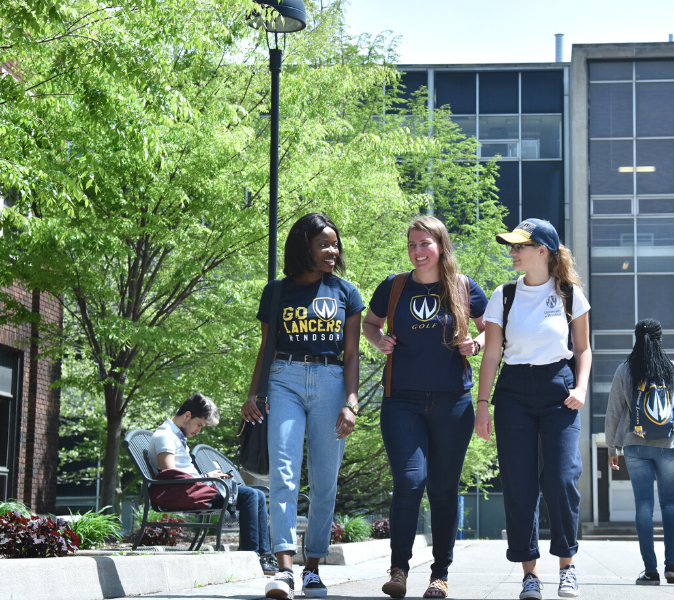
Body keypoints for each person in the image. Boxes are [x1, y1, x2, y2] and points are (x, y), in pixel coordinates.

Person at [362, 216, 488, 599]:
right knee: (410, 480)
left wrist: (477, 345)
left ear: (440, 245)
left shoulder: (464, 287)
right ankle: (398, 569)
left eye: (424, 244)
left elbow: (491, 329)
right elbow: (369, 323)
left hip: (453, 402)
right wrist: (378, 340)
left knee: (443, 488)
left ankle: (440, 575)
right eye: (412, 245)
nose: (417, 252)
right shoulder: (394, 285)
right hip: (402, 400)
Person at [241, 213, 364, 600]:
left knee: (325, 480)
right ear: (304, 248)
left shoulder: (346, 293)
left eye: (335, 243)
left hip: (331, 383)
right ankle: (284, 570)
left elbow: (352, 356)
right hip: (284, 380)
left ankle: (313, 567)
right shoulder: (276, 292)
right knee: (284, 473)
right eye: (324, 244)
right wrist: (253, 393)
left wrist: (351, 402)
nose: (333, 250)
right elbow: (267, 346)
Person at [474, 218, 592, 600]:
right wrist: (482, 405)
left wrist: (582, 386)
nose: (513, 251)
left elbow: (584, 349)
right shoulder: (503, 295)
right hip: (513, 392)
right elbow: (491, 355)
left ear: (542, 251)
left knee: (560, 478)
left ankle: (567, 566)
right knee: (519, 484)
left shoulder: (570, 294)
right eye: (512, 245)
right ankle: (529, 574)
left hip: (559, 388)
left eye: (520, 246)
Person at [605, 318, 674, 586]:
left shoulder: (625, 370)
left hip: (635, 445)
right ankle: (672, 568)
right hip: (668, 447)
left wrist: (612, 446)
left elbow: (614, 411)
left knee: (643, 505)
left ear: (636, 338)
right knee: (669, 504)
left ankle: (650, 570)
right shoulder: (673, 369)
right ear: (660, 339)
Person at [150, 393, 277, 575]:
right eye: (199, 424)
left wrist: (207, 477)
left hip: (195, 488)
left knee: (255, 494)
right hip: (186, 494)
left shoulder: (175, 436)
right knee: (250, 495)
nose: (199, 431)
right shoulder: (165, 436)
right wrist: (205, 478)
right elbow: (171, 477)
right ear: (187, 416)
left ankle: (263, 556)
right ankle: (251, 556)